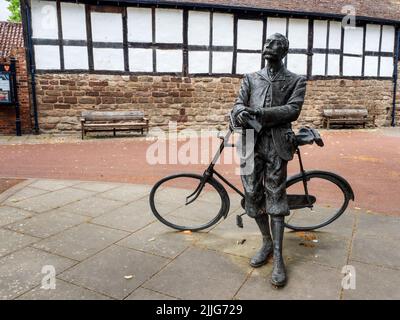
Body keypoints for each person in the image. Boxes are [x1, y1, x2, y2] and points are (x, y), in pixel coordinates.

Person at [231, 33, 307, 287]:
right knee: (252, 195)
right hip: (250, 143)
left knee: (275, 196)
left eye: (275, 44)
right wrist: (240, 112)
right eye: (267, 43)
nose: (268, 47)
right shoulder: (251, 78)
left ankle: (278, 258)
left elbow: (293, 110)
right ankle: (266, 241)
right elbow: (237, 104)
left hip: (277, 144)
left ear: (284, 51)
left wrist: (261, 112)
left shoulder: (296, 80)